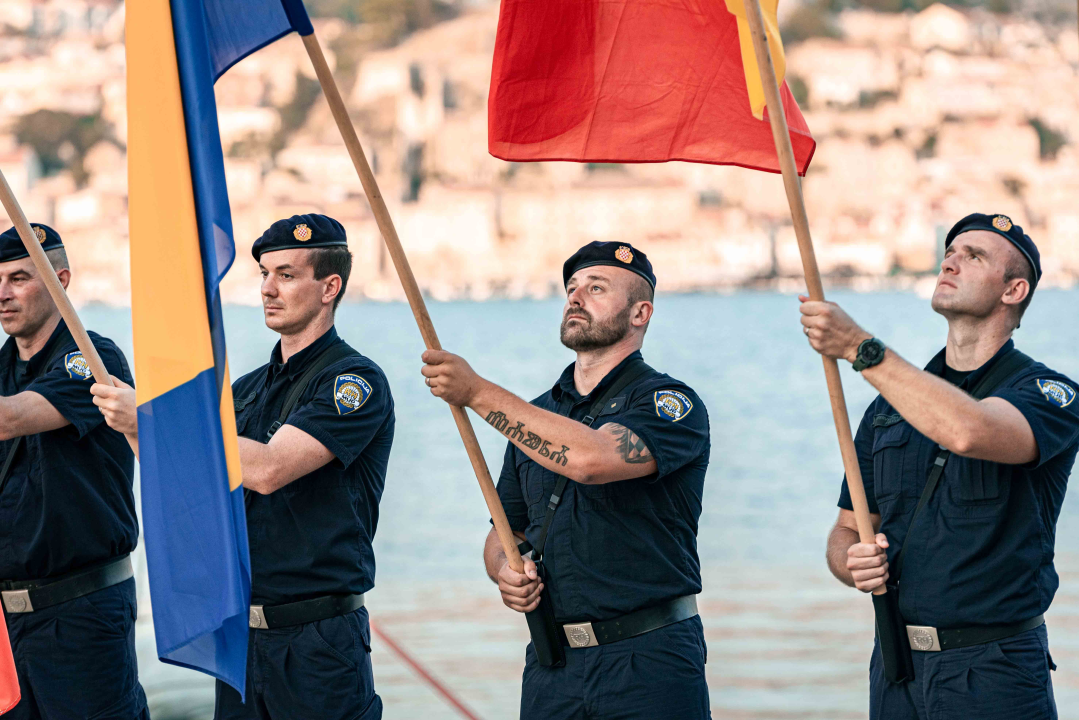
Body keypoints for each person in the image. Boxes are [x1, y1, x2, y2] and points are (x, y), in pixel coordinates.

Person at [94, 214, 393, 720]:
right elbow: (189, 482)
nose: (267, 289)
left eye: (287, 274)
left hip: (316, 640)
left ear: (330, 287)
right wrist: (135, 428)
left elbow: (270, 469)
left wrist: (155, 418)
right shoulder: (246, 389)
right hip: (240, 639)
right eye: (263, 274)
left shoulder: (353, 380)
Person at [803, 213, 1078, 720]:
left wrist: (859, 349)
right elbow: (846, 530)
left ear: (1013, 290)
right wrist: (851, 562)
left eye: (974, 256)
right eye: (951, 250)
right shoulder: (889, 405)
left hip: (994, 670)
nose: (950, 259)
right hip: (895, 668)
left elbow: (969, 430)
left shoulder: (1048, 393)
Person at [421, 241, 712, 720]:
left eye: (596, 288)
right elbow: (505, 529)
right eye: (572, 288)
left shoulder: (669, 402)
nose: (576, 298)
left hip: (648, 657)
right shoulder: (536, 415)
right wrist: (503, 570)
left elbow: (591, 460)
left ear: (641, 312)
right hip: (552, 660)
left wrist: (476, 392)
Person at [0, 224, 148, 719]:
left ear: (61, 280)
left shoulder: (92, 357)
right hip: (6, 623)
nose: (3, 292)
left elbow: (13, 418)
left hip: (81, 612)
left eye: (19, 277)